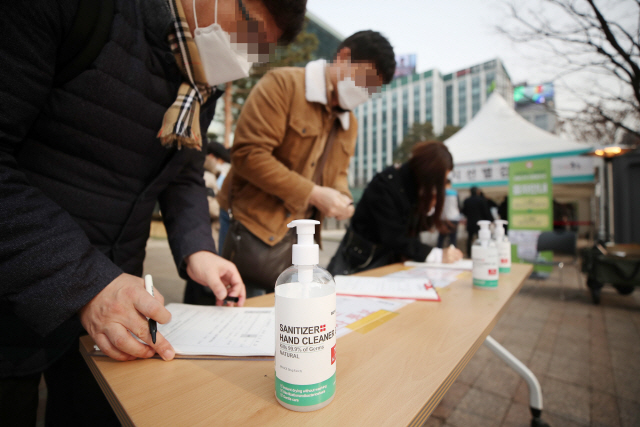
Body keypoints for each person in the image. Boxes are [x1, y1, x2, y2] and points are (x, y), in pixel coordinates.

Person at [0, 0, 306, 425]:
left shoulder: (201, 85)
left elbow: (182, 172)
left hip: (116, 297)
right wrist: (84, 281)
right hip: (24, 278)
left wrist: (198, 249)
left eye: (260, 49)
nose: (245, 54)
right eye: (248, 27)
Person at [217, 30, 396, 295]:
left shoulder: (350, 124)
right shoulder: (283, 84)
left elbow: (339, 173)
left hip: (299, 240)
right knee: (239, 307)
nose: (366, 93)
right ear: (344, 57)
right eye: (366, 82)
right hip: (252, 224)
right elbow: (248, 154)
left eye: (373, 90)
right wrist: (312, 193)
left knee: (288, 317)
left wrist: (343, 198)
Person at [328, 141, 463, 276]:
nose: (441, 186)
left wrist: (429, 208)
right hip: (360, 261)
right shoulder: (385, 185)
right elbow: (394, 237)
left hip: (389, 263)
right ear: (428, 173)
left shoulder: (416, 189)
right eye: (440, 180)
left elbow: (416, 230)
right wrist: (437, 255)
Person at [462, 186, 493, 257]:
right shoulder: (481, 200)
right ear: (477, 192)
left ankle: (469, 254)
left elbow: (464, 211)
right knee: (482, 238)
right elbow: (486, 211)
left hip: (470, 222)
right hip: (480, 223)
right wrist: (490, 220)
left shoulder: (467, 200)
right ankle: (482, 253)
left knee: (470, 238)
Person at [437, 179, 461, 249]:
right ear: (449, 184)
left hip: (443, 218)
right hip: (454, 217)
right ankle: (453, 253)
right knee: (453, 238)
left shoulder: (440, 193)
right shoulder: (455, 193)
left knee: (441, 238)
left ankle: (438, 254)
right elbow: (459, 206)